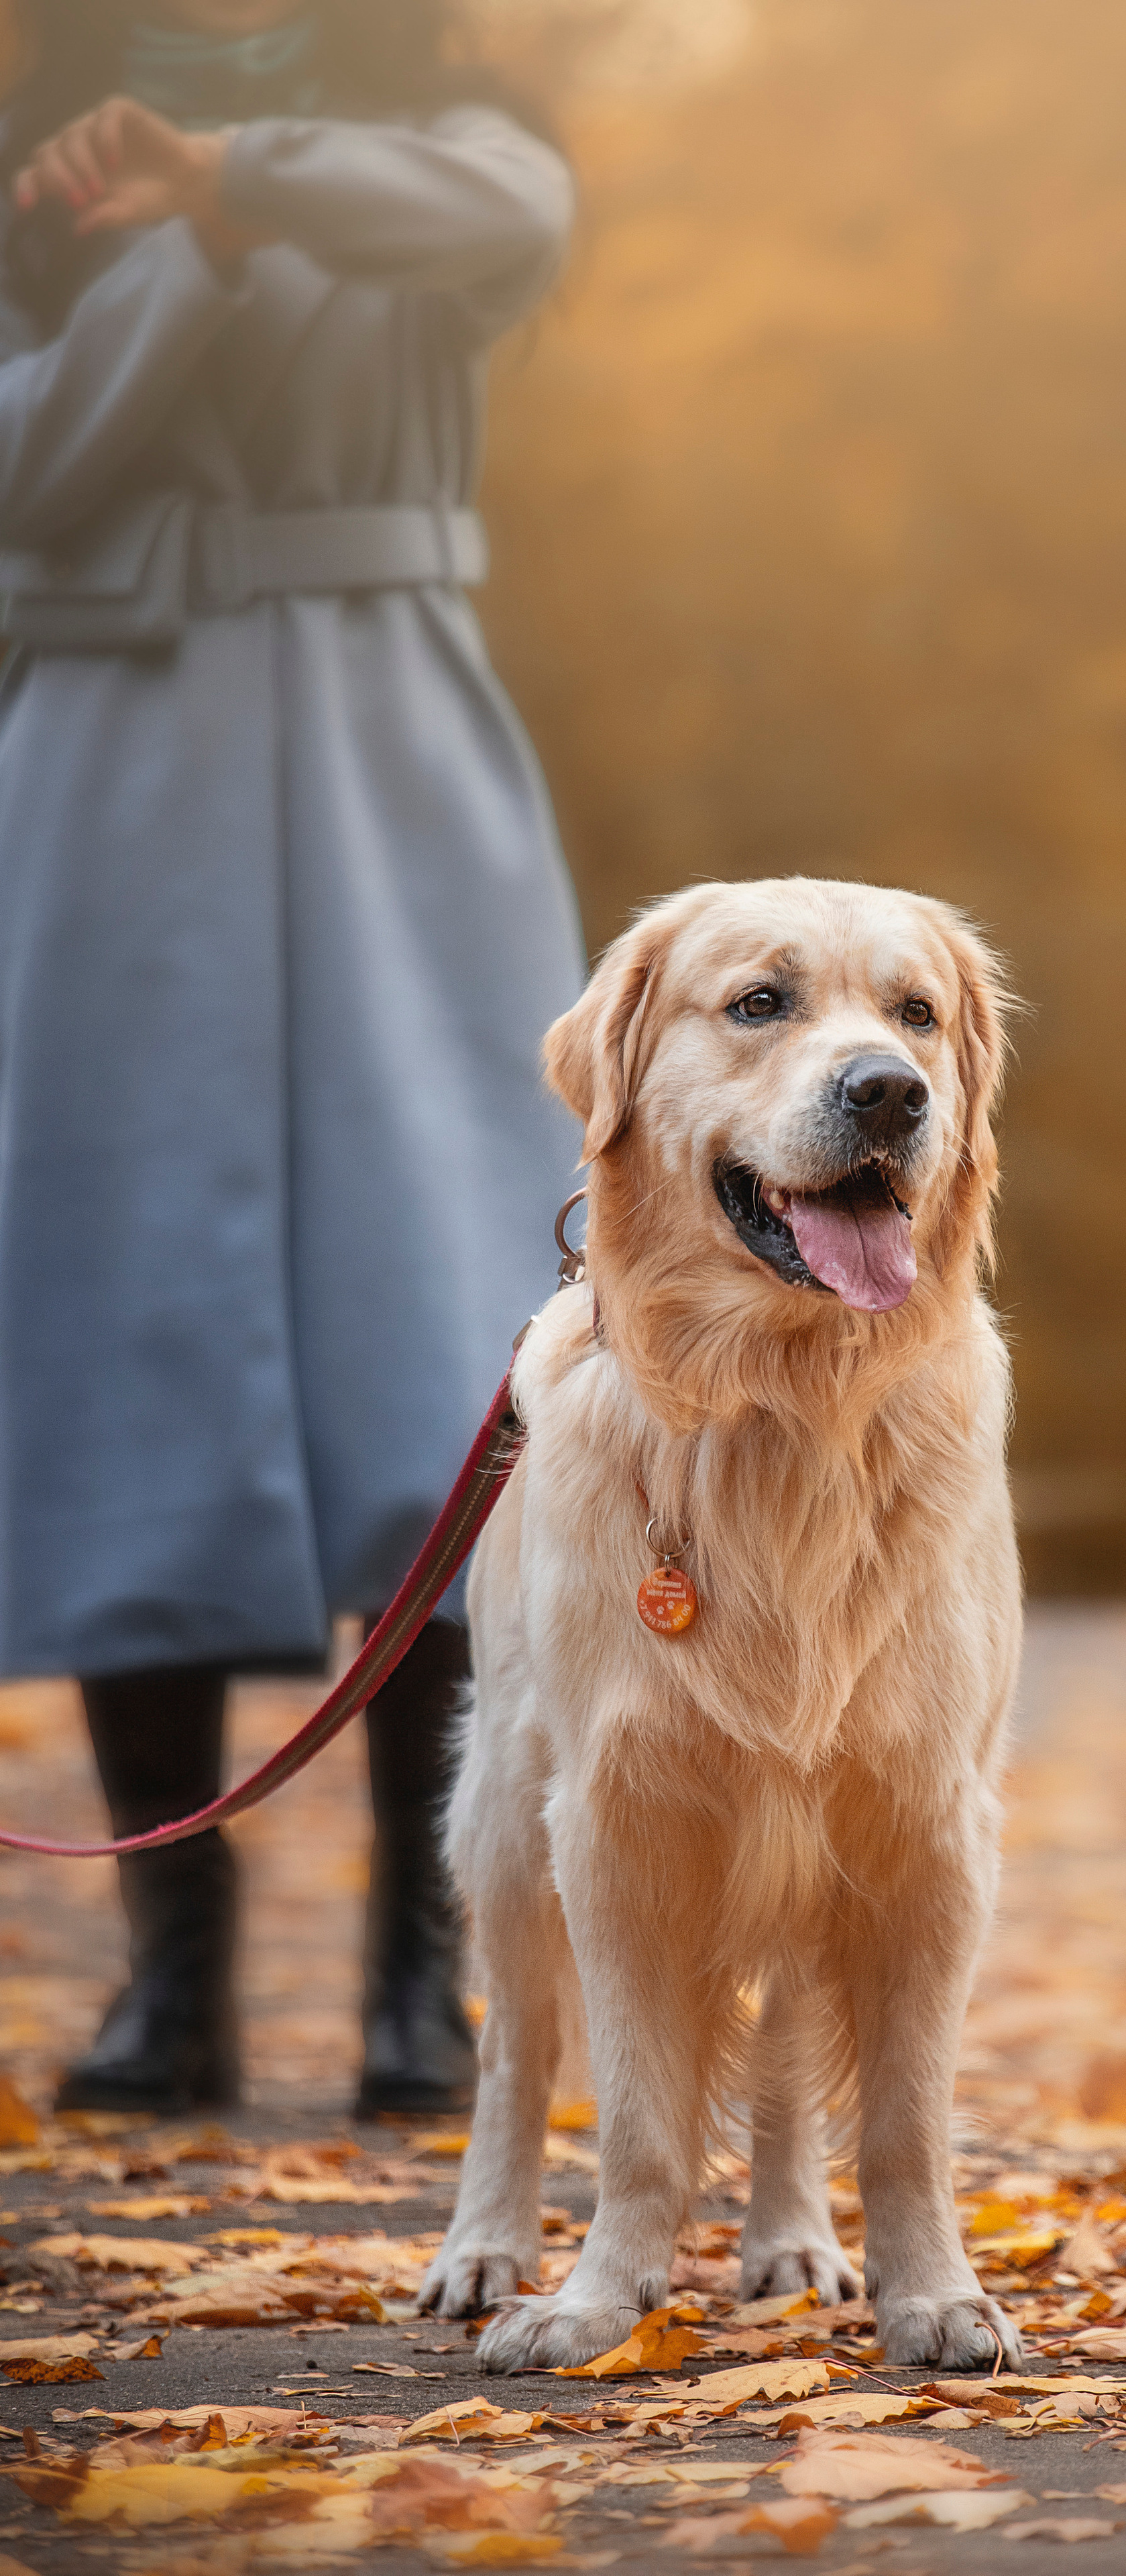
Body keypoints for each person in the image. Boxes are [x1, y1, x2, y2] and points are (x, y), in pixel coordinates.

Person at [0, 0, 587, 2118]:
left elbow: (509, 203)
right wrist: (174, 247)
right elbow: (28, 471)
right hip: (107, 775)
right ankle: (175, 1982)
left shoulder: (441, 155)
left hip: (388, 772)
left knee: (436, 1366)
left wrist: (233, 184)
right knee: (125, 1353)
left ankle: (425, 1981)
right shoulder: (44, 183)